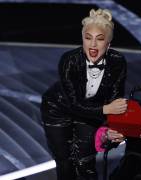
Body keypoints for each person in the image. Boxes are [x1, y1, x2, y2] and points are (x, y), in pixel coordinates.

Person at [40, 8, 127, 180]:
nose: (93, 44)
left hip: (92, 112)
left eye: (99, 39)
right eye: (88, 38)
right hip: (57, 109)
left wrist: (113, 128)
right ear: (83, 39)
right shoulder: (69, 60)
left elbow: (115, 101)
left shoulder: (117, 62)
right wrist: (106, 109)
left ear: (108, 44)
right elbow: (74, 103)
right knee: (65, 161)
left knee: (85, 161)